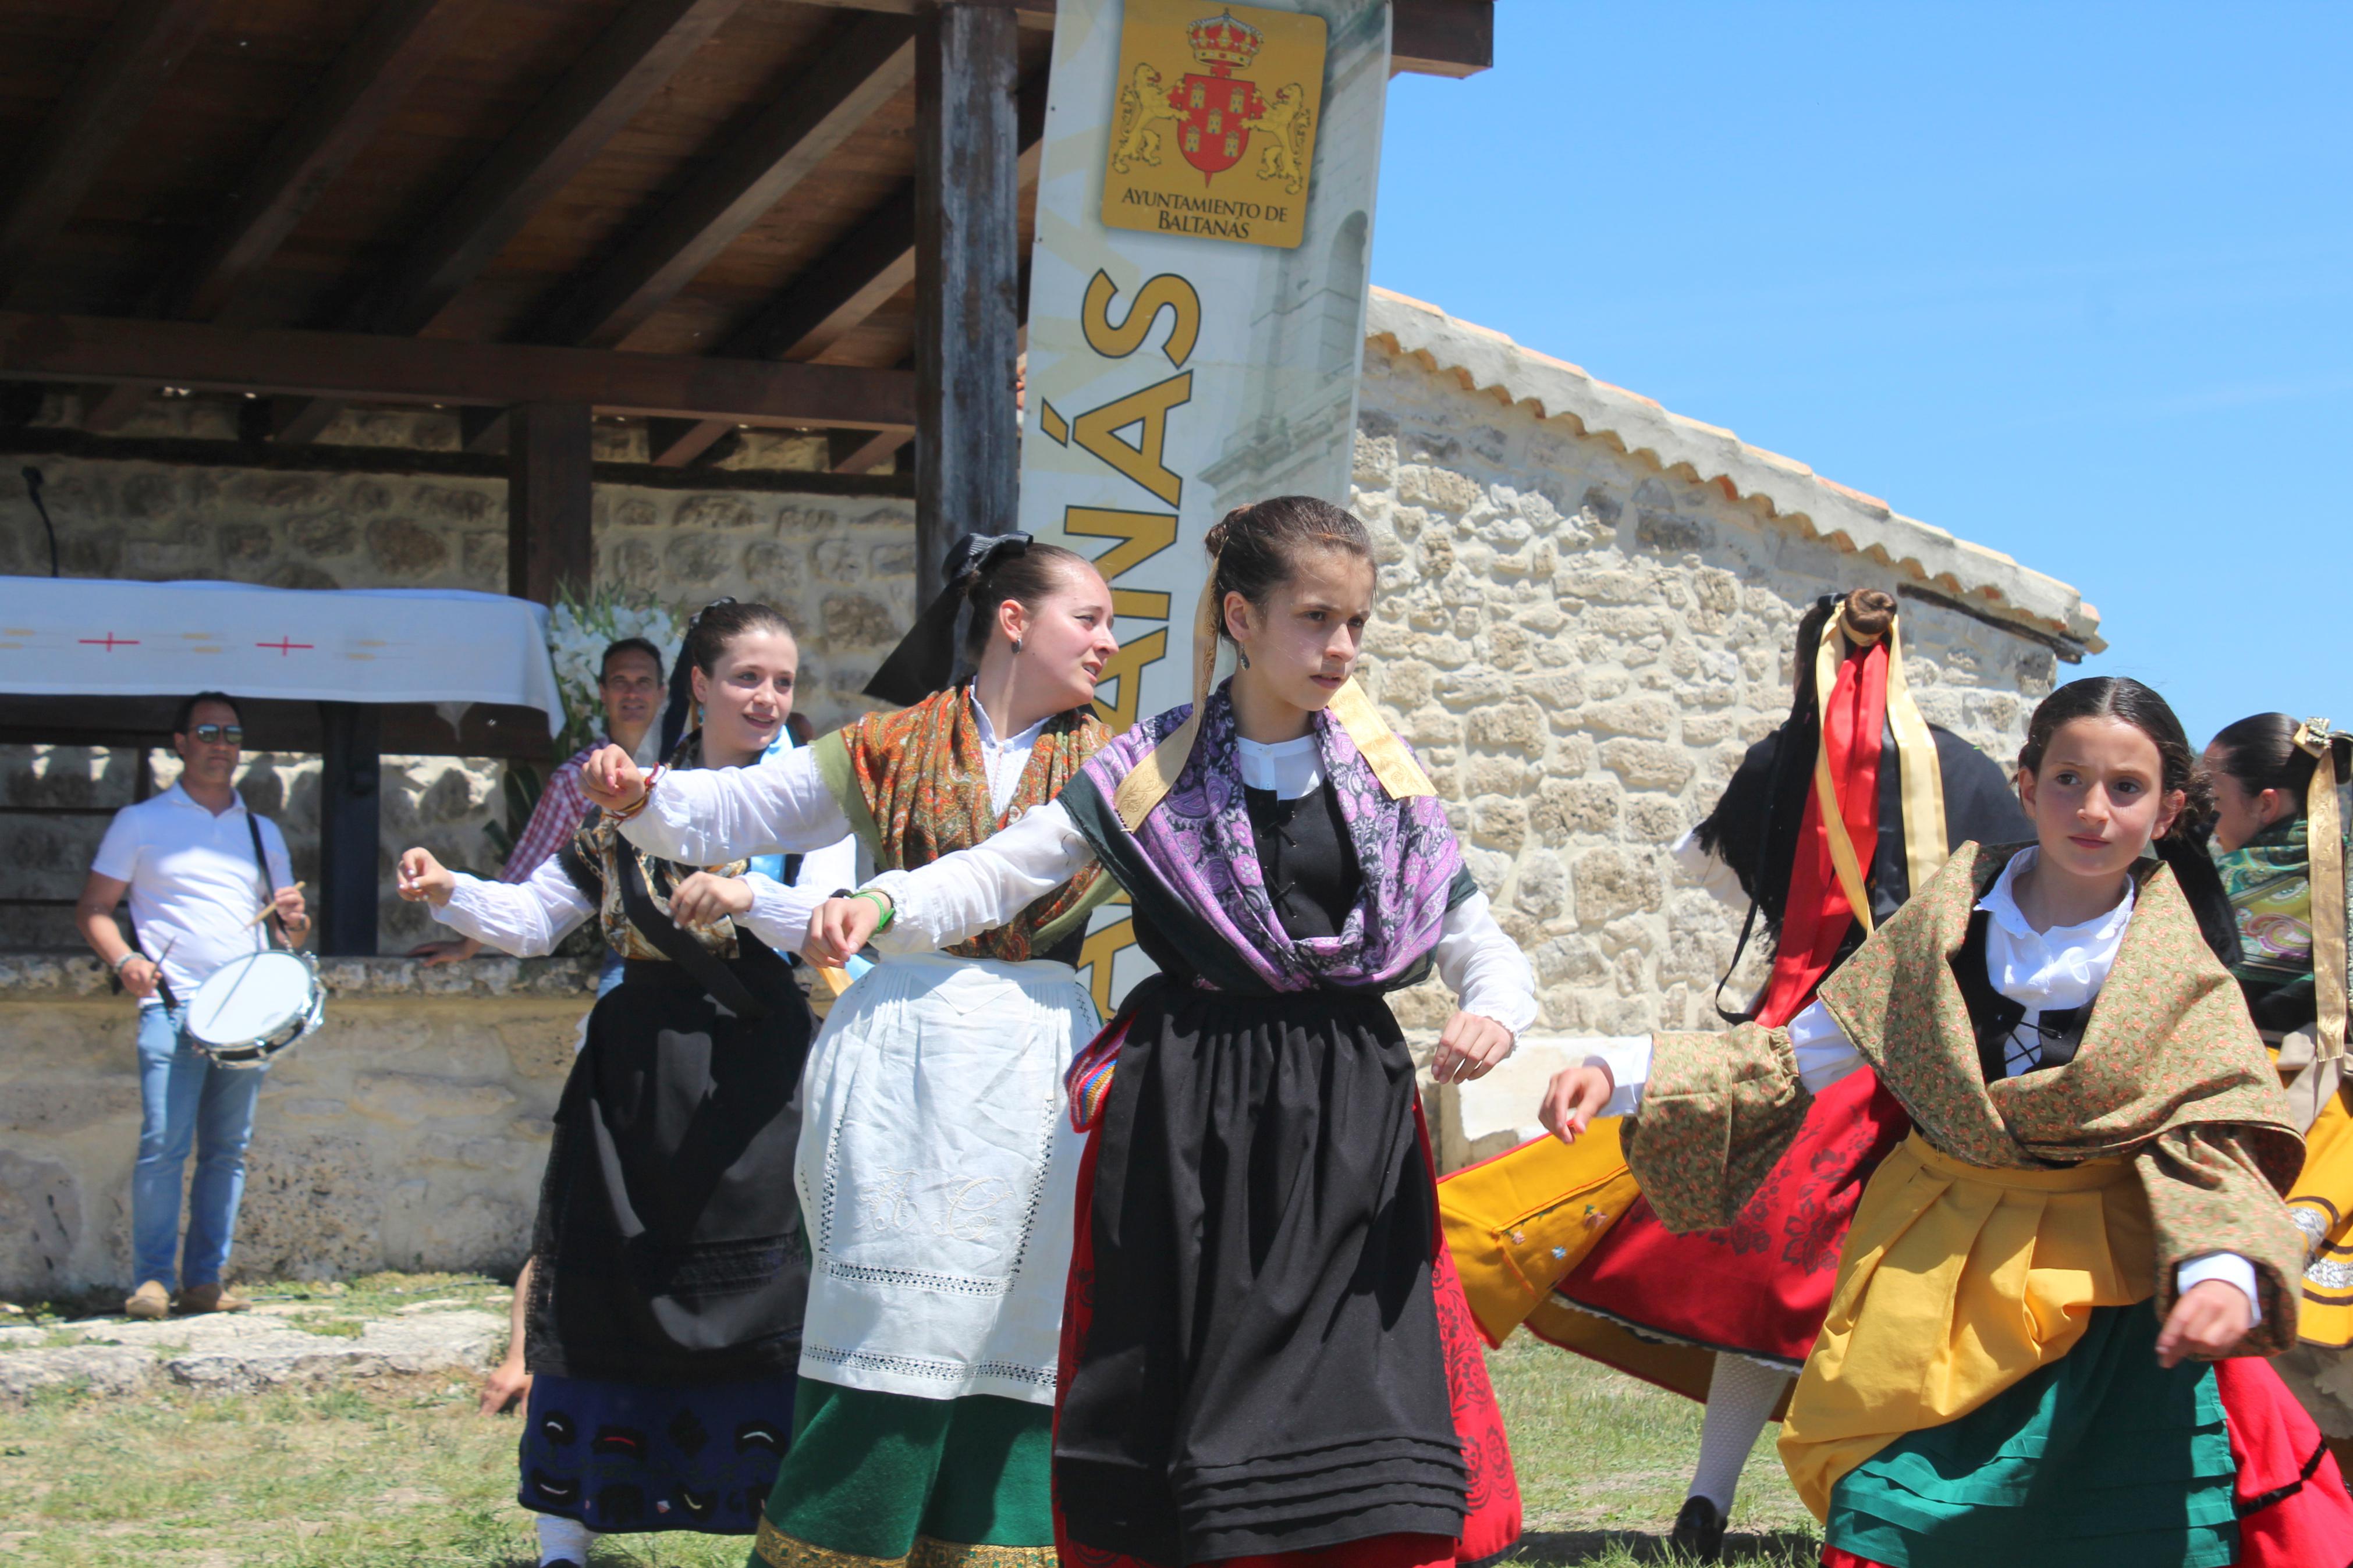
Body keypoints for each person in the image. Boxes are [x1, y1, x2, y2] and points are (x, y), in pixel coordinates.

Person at [796, 497, 1530, 1567]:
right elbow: (1010, 864)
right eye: (1314, 619)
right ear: (1239, 615)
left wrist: (1493, 1010)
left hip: (1350, 1118)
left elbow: (1479, 938)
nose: (1340, 648)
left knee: (1351, 1381)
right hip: (1194, 1114)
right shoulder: (1153, 770)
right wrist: (892, 904)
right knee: (1197, 1383)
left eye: (1357, 624)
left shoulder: (1384, 779)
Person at [1542, 677, 2353, 1567]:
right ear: (2023, 784)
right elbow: (1801, 1052)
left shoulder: (2183, 974)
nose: (2091, 807)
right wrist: (1615, 1067)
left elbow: (2208, 1143)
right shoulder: (1941, 920)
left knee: (2097, 1530)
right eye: (2066, 778)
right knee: (1891, 1510)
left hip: (2100, 1295)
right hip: (1929, 1267)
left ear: (2165, 811)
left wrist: (2221, 1272)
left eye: (2124, 787)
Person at [1439, 588, 2030, 1560]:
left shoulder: (1776, 759)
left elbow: (1734, 884)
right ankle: (1787, 1508)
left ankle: (1730, 1500)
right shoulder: (1960, 772)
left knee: (1775, 1285)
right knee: (1870, 1298)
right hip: (1902, 1069)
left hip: (1809, 1051)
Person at [583, 534, 1120, 1568]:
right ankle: (836, 1542)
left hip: (1032, 1055)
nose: (1107, 641)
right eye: (1087, 618)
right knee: (887, 1314)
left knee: (1012, 1325)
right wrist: (645, 799)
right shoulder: (886, 745)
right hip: (902, 1051)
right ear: (1013, 620)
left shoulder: (1118, 764)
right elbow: (746, 804)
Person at [396, 602, 836, 1568]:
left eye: (783, 682)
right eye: (746, 678)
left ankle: (772, 1519)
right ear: (699, 685)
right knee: (600, 1278)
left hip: (760, 1074)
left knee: (767, 1289)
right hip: (635, 1071)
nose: (766, 699)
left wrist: (750, 894)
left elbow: (839, 925)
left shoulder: (813, 804)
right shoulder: (631, 798)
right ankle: (566, 1537)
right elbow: (534, 917)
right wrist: (451, 890)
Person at [76, 691, 309, 1321]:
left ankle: (205, 1280)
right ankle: (152, 1281)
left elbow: (290, 934)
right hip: (172, 1005)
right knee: (163, 1144)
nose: (220, 743)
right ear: (180, 743)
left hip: (245, 1015)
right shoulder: (141, 821)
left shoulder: (262, 832)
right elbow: (94, 909)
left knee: (227, 1150)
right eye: (206, 731)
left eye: (231, 733)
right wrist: (126, 961)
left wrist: (293, 919)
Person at [2208, 712, 2353, 1469]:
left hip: (2259, 1132)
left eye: (2211, 792)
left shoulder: (2211, 888)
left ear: (2265, 802)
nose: (2204, 811)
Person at [411, 635, 668, 988]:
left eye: (644, 683)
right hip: (623, 952)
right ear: (602, 692)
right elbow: (529, 867)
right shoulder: (575, 778)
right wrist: (470, 943)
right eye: (620, 682)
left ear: (663, 692)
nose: (633, 693)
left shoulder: (689, 770)